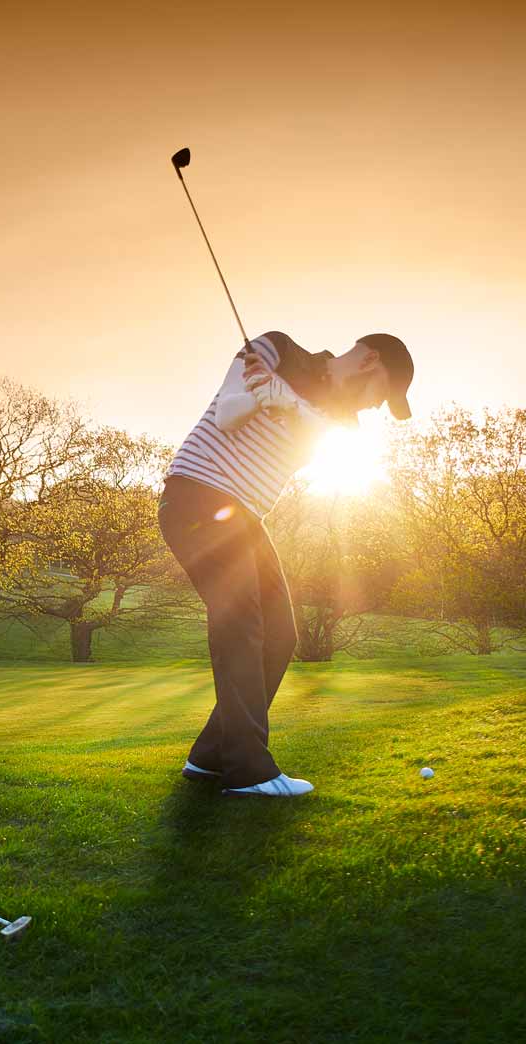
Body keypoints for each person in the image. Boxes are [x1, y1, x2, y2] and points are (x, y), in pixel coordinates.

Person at [159, 330, 414, 797]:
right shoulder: (275, 348)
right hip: (198, 496)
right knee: (241, 624)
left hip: (243, 517)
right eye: (383, 393)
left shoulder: (345, 421)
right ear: (370, 361)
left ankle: (209, 757)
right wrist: (262, 395)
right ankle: (249, 771)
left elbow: (325, 434)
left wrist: (285, 399)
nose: (377, 406)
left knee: (280, 634)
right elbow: (228, 414)